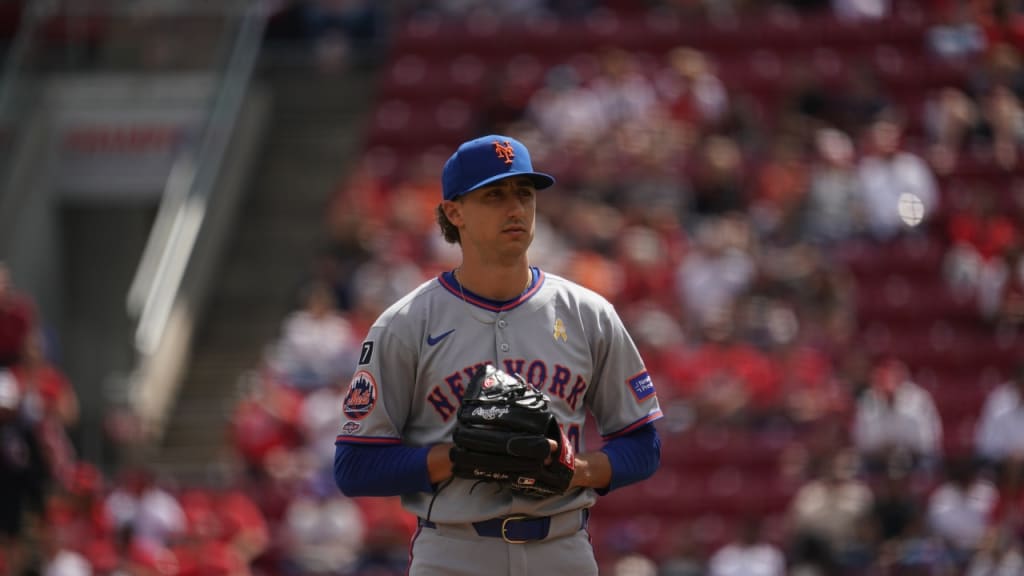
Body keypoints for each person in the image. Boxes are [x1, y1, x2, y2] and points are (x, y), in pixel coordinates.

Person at [333, 134, 664, 575]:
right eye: (494, 195)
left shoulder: (589, 314)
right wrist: (455, 459)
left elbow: (644, 444)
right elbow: (355, 466)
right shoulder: (405, 323)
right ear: (454, 212)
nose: (515, 209)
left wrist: (575, 468)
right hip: (453, 552)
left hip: (562, 550)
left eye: (524, 194)